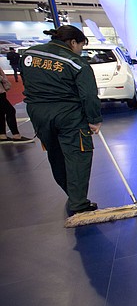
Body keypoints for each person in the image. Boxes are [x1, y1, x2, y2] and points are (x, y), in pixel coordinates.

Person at [22, 25, 102, 215]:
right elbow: (89, 95)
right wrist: (94, 119)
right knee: (77, 156)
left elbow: (27, 81)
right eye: (81, 46)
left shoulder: (29, 54)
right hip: (69, 115)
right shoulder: (76, 63)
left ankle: (71, 194)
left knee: (55, 154)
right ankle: (78, 202)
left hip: (38, 113)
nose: (81, 50)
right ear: (73, 42)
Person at [0, 70, 33, 143]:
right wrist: (3, 78)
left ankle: (2, 135)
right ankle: (16, 135)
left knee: (2, 112)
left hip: (1, 90)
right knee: (10, 111)